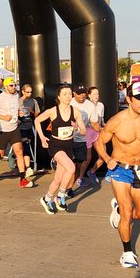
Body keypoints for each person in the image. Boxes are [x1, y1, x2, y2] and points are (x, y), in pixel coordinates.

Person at [93, 81, 140, 267]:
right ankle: (127, 252)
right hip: (120, 170)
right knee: (127, 212)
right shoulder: (117, 121)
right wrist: (107, 158)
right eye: (138, 99)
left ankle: (118, 211)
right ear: (128, 99)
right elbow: (99, 142)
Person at [36, 83, 84, 213]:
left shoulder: (76, 111)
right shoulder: (52, 111)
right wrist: (41, 137)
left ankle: (47, 198)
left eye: (70, 94)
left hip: (69, 146)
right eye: (65, 94)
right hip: (56, 145)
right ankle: (61, 195)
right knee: (71, 168)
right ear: (59, 96)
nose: (68, 96)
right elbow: (37, 121)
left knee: (58, 179)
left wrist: (77, 128)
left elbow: (84, 131)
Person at [0, 76, 35, 187]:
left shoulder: (16, 96)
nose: (13, 87)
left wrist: (19, 113)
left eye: (15, 85)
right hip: (3, 130)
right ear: (6, 86)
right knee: (0, 154)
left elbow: (16, 108)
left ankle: (22, 180)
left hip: (14, 128)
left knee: (19, 152)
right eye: (11, 85)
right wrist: (2, 117)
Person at [69, 84, 98, 189]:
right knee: (70, 165)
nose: (82, 96)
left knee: (82, 161)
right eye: (79, 94)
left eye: (83, 93)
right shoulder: (69, 102)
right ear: (74, 94)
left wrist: (104, 130)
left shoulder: (90, 105)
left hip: (82, 138)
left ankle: (78, 179)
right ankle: (66, 187)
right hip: (68, 138)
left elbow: (94, 123)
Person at [18, 83, 40, 171]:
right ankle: (28, 167)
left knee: (28, 144)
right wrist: (18, 115)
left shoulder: (33, 101)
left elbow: (37, 114)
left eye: (31, 92)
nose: (29, 94)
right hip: (21, 126)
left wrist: (32, 112)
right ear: (23, 91)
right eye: (27, 92)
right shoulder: (18, 101)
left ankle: (14, 157)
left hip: (29, 125)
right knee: (26, 144)